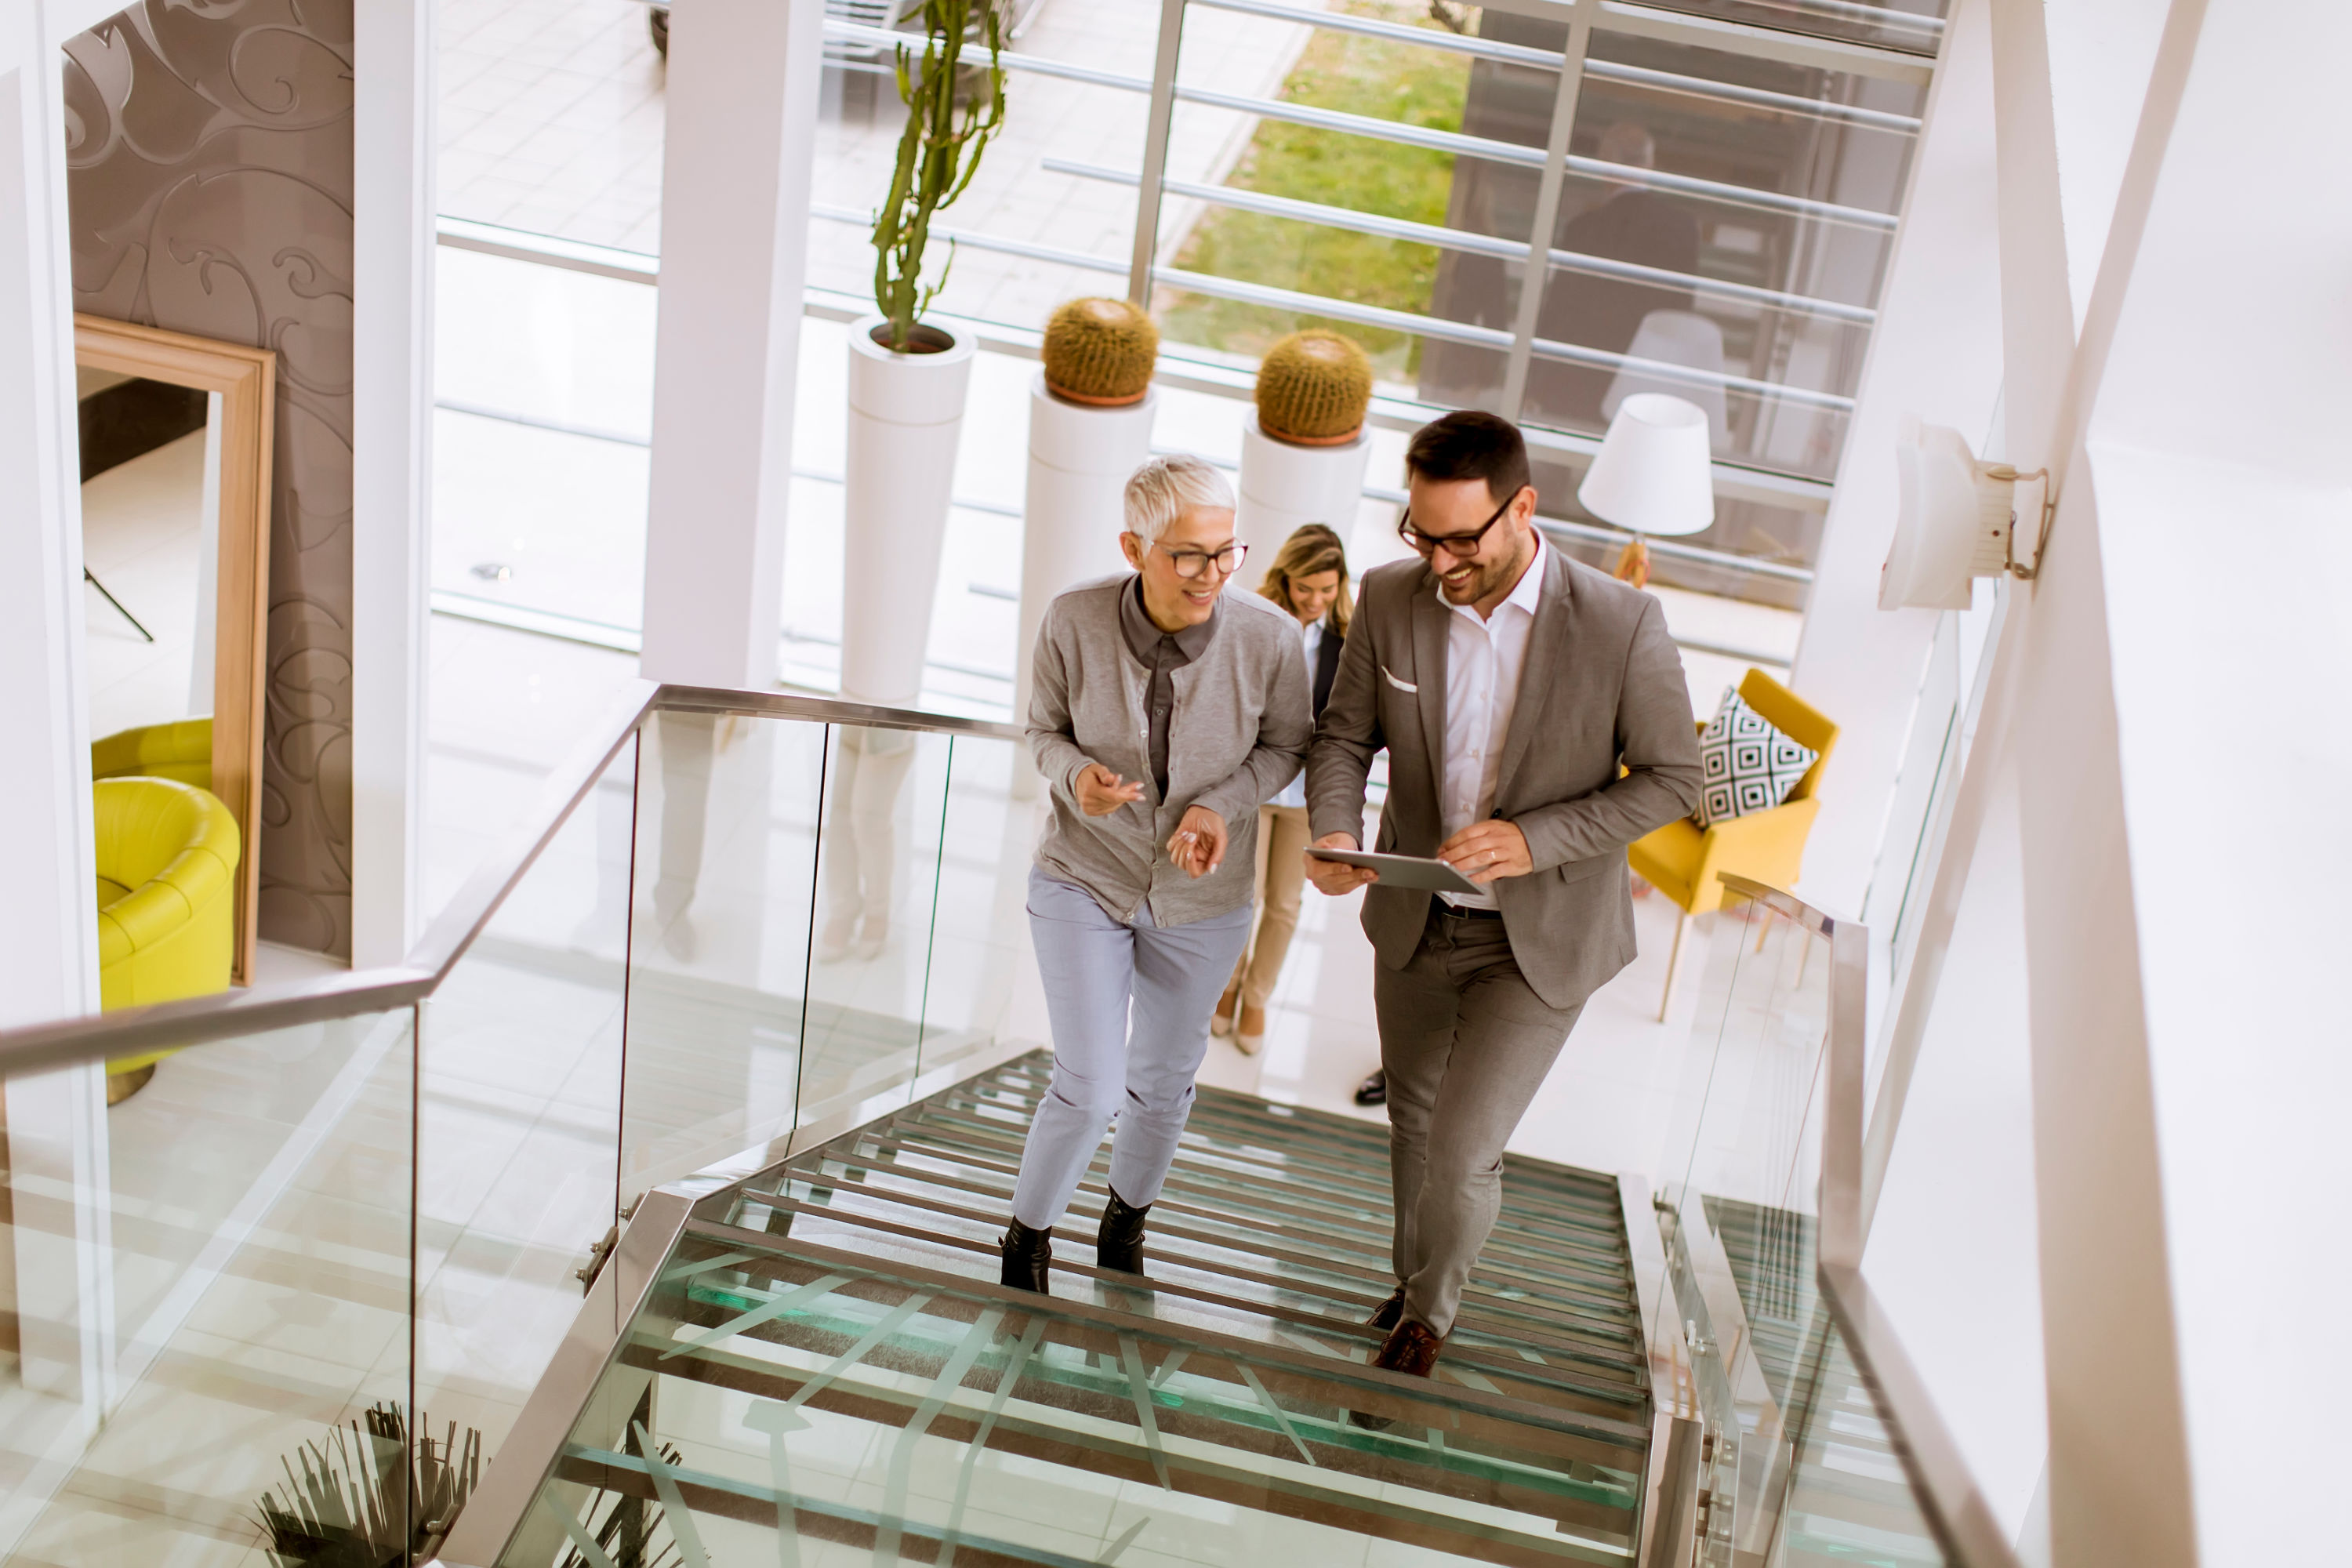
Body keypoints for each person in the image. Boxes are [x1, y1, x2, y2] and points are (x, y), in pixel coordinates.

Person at [1304, 410, 1701, 1389]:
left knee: (1465, 1144)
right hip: (1413, 912)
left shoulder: (1621, 622)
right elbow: (1345, 738)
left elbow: (1671, 778)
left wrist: (1534, 838)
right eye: (1421, 534)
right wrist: (1340, 829)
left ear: (1522, 507)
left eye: (1461, 539)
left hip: (1540, 938)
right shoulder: (1394, 598)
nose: (1440, 560)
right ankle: (1411, 1285)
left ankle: (1430, 1315)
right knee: (1410, 1121)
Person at [1002, 454, 1314, 1294]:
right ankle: (1026, 1241)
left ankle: (1123, 1224)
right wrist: (1077, 779)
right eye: (1188, 555)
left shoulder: (1271, 639)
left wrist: (1221, 805)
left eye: (1226, 552)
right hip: (1083, 877)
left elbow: (1287, 746)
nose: (1212, 574)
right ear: (1134, 545)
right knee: (1092, 1082)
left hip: (1204, 900)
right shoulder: (1073, 618)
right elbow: (1042, 730)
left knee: (1164, 1085)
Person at [1211, 524, 1350, 1058]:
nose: (1315, 601)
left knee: (1285, 904)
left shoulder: (1349, 642)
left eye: (1327, 590)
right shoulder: (1255, 625)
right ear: (1285, 580)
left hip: (1306, 796)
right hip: (1254, 782)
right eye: (1305, 588)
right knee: (1242, 898)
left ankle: (1257, 996)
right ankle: (1227, 985)